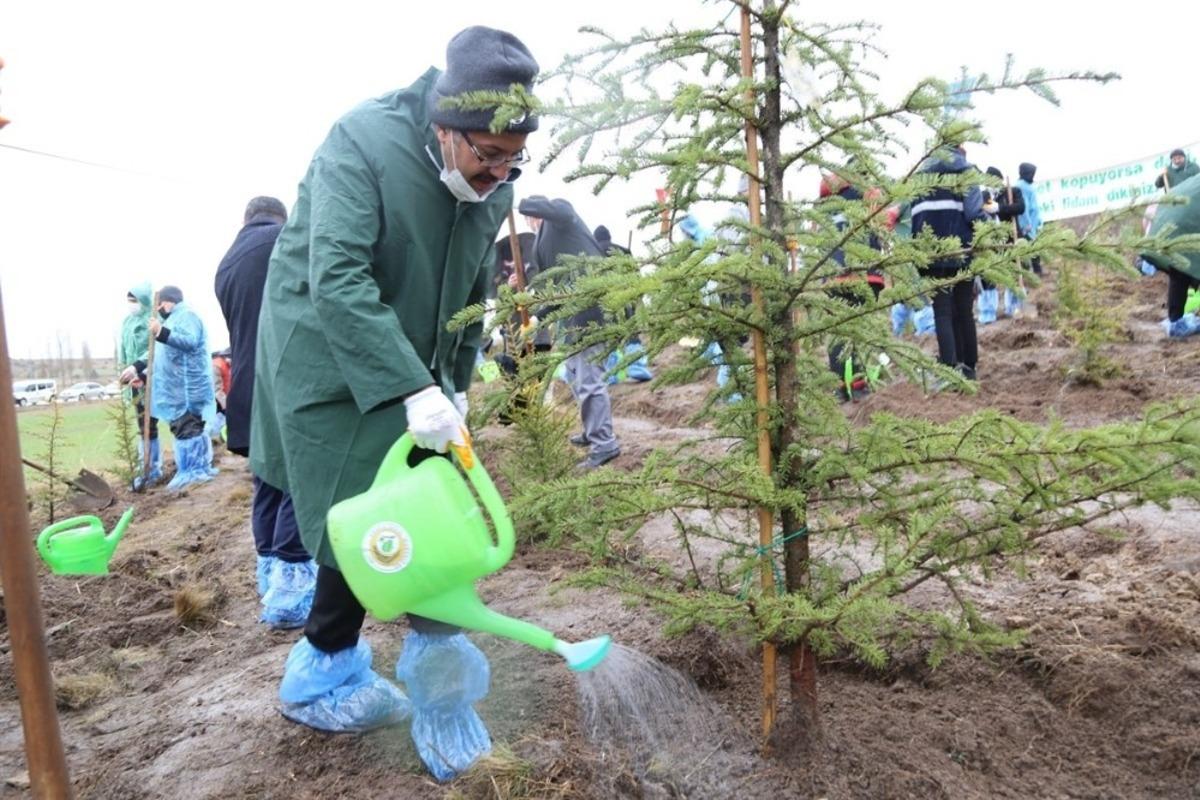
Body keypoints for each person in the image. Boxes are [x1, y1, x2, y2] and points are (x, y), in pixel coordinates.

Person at [249, 27, 539, 780]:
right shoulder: (361, 142)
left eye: (514, 161)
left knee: (410, 500)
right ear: (445, 127)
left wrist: (459, 382)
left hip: (415, 355)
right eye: (486, 156)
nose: (498, 175)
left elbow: (473, 291)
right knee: (366, 503)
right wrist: (411, 387)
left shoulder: (488, 181)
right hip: (329, 352)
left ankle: (328, 663)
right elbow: (337, 277)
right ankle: (372, 676)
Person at [214, 196, 316, 630]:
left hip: (248, 389)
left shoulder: (227, 262)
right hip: (285, 377)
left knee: (267, 482)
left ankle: (272, 579)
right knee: (299, 476)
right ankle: (293, 588)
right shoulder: (283, 240)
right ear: (281, 217)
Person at [518, 195, 621, 469]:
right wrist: (538, 319)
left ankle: (605, 444)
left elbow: (560, 210)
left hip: (589, 311)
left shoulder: (561, 217)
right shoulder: (542, 243)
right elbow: (557, 292)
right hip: (570, 317)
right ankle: (592, 431)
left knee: (589, 380)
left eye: (529, 216)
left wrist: (521, 202)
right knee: (576, 377)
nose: (528, 221)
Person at [912, 146, 986, 383]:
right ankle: (969, 366)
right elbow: (974, 213)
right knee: (963, 308)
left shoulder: (920, 177)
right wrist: (989, 232)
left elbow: (915, 218)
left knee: (941, 311)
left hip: (930, 253)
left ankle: (949, 367)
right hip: (960, 248)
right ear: (961, 152)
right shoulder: (965, 171)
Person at [149, 285, 219, 491]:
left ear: (169, 301)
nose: (159, 308)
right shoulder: (171, 320)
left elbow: (189, 341)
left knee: (187, 427)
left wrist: (161, 332)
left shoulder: (187, 316)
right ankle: (192, 470)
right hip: (175, 390)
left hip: (188, 388)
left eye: (160, 303)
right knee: (183, 428)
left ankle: (195, 472)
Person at [593, 224, 652, 385]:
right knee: (631, 335)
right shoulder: (624, 250)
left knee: (609, 339)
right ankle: (638, 370)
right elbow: (636, 277)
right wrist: (638, 298)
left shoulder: (593, 252)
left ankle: (611, 376)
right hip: (627, 299)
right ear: (609, 237)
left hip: (605, 303)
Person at [1142, 173, 1200, 338]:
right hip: (1186, 225)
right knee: (1184, 270)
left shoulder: (1193, 180)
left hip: (1170, 223)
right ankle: (1176, 322)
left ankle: (1175, 320)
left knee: (1179, 272)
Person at [117, 281, 162, 489]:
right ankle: (144, 468)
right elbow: (123, 351)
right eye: (128, 301)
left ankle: (154, 468)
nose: (131, 305)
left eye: (134, 300)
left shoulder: (153, 320)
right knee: (141, 425)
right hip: (134, 382)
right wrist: (124, 373)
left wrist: (138, 368)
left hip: (152, 377)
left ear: (144, 300)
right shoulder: (126, 322)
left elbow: (155, 350)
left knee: (150, 424)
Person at [977, 166, 1025, 324]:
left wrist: (1000, 208)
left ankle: (1015, 307)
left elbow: (1020, 207)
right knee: (989, 275)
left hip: (1010, 239)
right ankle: (988, 312)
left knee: (1013, 273)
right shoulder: (984, 195)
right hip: (991, 242)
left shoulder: (1012, 192)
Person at [1014, 162, 1043, 276]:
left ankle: (1036, 270)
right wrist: (1027, 224)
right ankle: (1032, 273)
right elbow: (1024, 208)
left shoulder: (1028, 186)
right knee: (1028, 247)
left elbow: (1034, 206)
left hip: (1033, 222)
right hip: (1026, 224)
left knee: (1033, 246)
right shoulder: (1021, 187)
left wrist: (1039, 221)